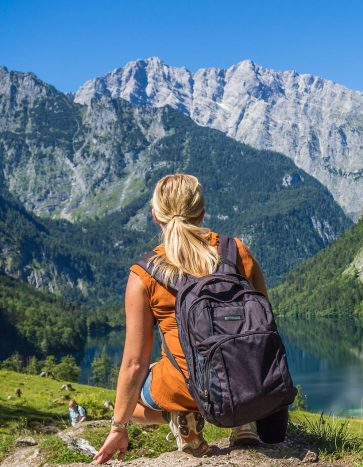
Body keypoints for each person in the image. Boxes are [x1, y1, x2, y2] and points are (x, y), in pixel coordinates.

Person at [93, 174, 284, 464]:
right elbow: (265, 325)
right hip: (251, 379)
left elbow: (134, 364)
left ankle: (185, 419)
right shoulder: (237, 251)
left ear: (155, 215)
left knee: (131, 400)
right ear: (202, 211)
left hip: (186, 387)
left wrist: (118, 428)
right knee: (236, 355)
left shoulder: (145, 273)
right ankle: (244, 421)